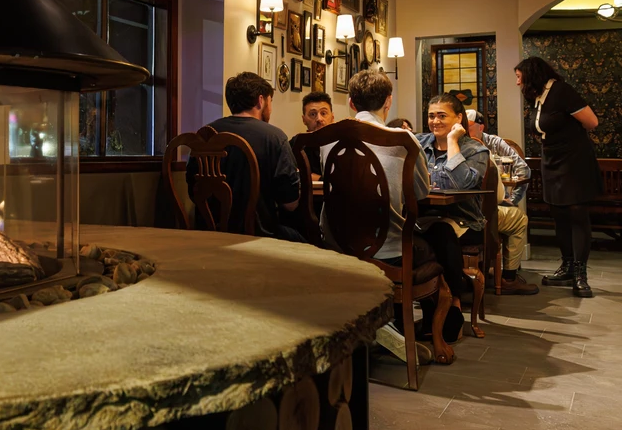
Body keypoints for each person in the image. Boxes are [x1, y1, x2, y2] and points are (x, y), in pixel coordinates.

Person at [318, 70, 434, 363]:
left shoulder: (325, 139)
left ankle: (380, 329)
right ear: (388, 102)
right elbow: (421, 193)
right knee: (434, 245)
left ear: (350, 102)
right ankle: (422, 331)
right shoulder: (404, 140)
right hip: (389, 252)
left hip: (337, 248)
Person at [517, 56, 603, 298]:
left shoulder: (562, 91)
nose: (517, 83)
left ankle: (580, 274)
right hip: (551, 160)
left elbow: (592, 122)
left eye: (518, 77)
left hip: (574, 160)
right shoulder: (538, 97)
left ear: (531, 74)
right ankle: (566, 266)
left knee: (576, 213)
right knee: (558, 212)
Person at [417, 93, 490, 340]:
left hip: (465, 220)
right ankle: (426, 305)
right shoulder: (418, 143)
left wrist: (452, 141)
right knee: (418, 231)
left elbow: (461, 184)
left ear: (459, 118)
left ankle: (453, 305)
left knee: (441, 230)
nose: (435, 121)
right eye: (431, 115)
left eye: (441, 115)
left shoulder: (475, 149)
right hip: (424, 217)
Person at [194, 72, 303, 240]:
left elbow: (193, 191)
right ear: (261, 101)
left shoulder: (204, 135)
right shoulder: (274, 137)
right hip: (260, 237)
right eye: (270, 102)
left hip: (207, 235)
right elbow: (290, 204)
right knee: (306, 239)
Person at [465, 108, 537, 295]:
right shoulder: (471, 148)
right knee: (519, 220)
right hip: (475, 211)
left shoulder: (491, 143)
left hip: (477, 206)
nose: (465, 130)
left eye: (469, 126)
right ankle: (508, 278)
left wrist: (512, 200)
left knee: (506, 212)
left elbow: (524, 171)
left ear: (481, 127)